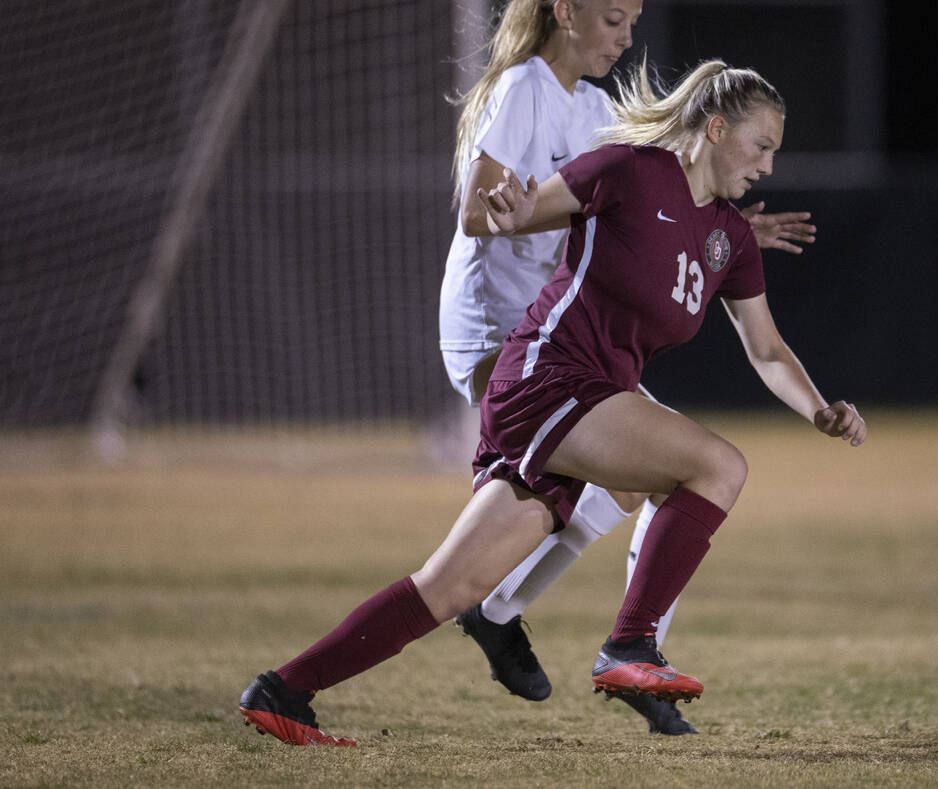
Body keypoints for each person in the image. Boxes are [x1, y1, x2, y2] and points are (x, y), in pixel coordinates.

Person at [239, 59, 866, 748]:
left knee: (446, 587)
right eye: (762, 145)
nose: (769, 166)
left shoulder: (730, 239)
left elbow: (768, 349)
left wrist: (818, 409)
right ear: (715, 128)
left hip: (580, 403)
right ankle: (630, 647)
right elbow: (512, 213)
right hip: (546, 379)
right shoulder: (628, 170)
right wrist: (505, 208)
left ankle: (284, 690)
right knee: (717, 465)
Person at [440, 0, 816, 735]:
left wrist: (725, 228)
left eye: (633, 20)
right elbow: (479, 215)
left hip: (563, 339)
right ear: (565, 12)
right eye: (613, 18)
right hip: (502, 333)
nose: (627, 36)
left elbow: (639, 196)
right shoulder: (524, 89)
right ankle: (594, 636)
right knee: (669, 473)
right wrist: (515, 207)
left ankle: (560, 630)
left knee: (629, 486)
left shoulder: (594, 106)